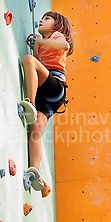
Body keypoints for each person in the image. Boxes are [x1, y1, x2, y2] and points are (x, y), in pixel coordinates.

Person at [19, 11, 74, 195]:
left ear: (58, 25)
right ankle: (35, 172)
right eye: (42, 19)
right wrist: (37, 45)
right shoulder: (43, 42)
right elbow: (39, 59)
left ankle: (31, 103)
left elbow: (64, 45)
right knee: (36, 129)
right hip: (49, 95)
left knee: (28, 60)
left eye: (47, 19)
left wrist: (41, 42)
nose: (42, 20)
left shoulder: (58, 36)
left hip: (54, 85)